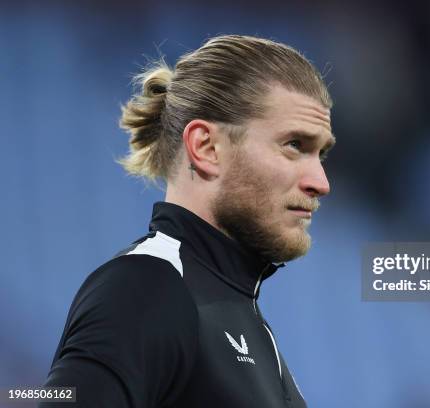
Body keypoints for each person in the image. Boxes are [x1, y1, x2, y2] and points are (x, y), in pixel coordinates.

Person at [40, 34, 335, 407]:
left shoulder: (249, 323)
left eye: (320, 154)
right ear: (206, 148)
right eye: (294, 145)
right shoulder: (145, 289)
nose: (320, 183)